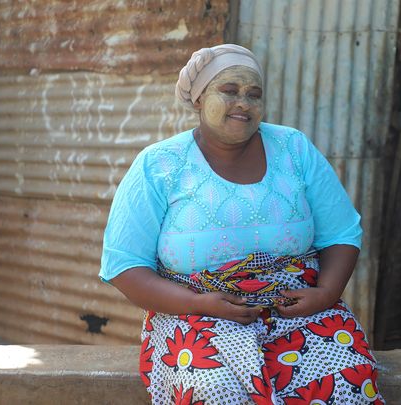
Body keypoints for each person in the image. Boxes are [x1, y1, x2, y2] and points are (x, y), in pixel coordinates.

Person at [100, 44, 384, 404]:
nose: (244, 103)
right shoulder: (160, 165)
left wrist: (325, 294)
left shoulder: (293, 149)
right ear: (200, 98)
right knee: (215, 391)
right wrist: (199, 304)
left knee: (346, 381)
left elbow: (342, 233)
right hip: (193, 316)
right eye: (229, 91)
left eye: (254, 94)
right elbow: (123, 265)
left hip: (297, 313)